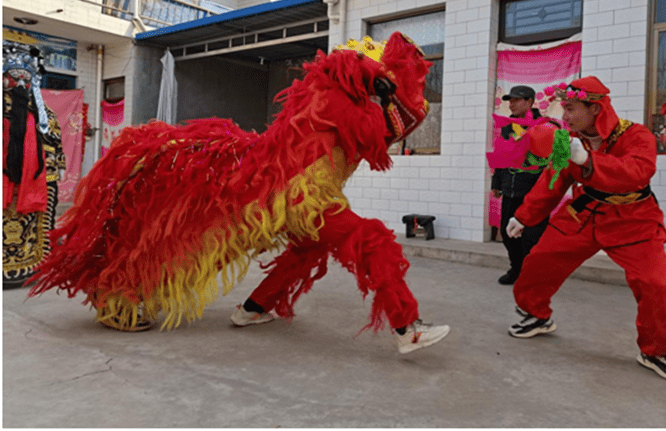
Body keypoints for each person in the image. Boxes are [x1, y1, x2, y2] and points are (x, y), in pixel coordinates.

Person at [29, 33, 450, 354]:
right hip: (296, 195)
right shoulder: (333, 97)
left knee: (305, 248)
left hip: (299, 195)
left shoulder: (343, 98)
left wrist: (388, 96)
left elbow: (390, 129)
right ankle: (408, 328)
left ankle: (253, 309)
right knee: (369, 239)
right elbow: (378, 139)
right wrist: (384, 95)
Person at [506, 76, 666, 384]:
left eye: (570, 108)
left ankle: (655, 351)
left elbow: (637, 173)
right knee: (540, 259)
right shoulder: (567, 138)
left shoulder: (637, 135)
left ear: (595, 109)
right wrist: (524, 217)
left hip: (634, 218)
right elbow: (552, 182)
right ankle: (536, 314)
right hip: (585, 212)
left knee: (655, 284)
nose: (564, 117)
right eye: (563, 108)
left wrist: (587, 159)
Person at [3, 43, 65, 288]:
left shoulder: (44, 113)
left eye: (25, 79)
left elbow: (55, 141)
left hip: (38, 179)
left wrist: (57, 164)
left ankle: (33, 266)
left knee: (36, 225)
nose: (20, 83)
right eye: (14, 77)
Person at [491, 85, 549, 285]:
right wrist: (497, 182)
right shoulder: (507, 127)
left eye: (516, 100)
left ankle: (532, 274)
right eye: (509, 100)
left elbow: (559, 159)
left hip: (535, 192)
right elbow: (500, 156)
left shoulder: (547, 126)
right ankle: (516, 269)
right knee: (508, 234)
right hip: (510, 190)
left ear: (530, 102)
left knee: (532, 237)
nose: (511, 104)